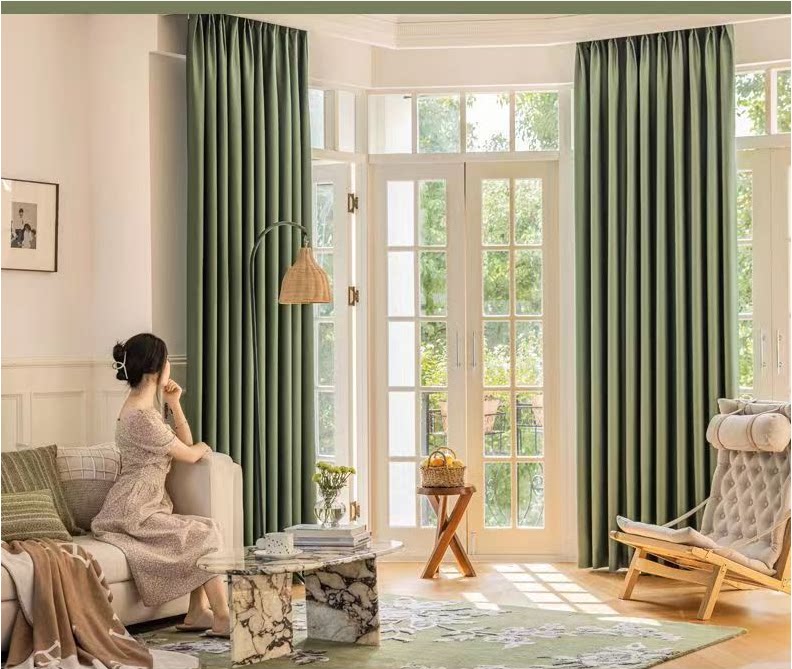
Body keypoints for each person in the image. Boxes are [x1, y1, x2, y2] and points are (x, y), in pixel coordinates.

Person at [92, 333, 230, 636]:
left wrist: (174, 404)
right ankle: (222, 616)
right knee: (203, 533)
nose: (170, 366)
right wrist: (206, 446)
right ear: (156, 369)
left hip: (143, 502)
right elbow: (191, 453)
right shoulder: (142, 418)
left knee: (202, 529)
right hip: (134, 509)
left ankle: (198, 612)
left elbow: (184, 444)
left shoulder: (142, 411)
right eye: (167, 361)